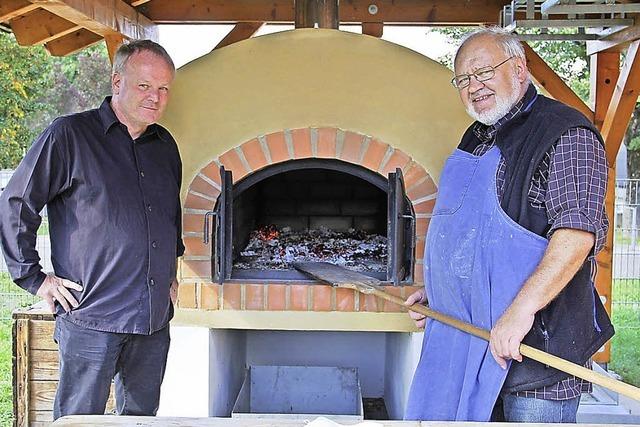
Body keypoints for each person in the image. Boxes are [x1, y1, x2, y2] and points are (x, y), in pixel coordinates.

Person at [403, 27, 614, 423]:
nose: (473, 86)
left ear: (519, 69)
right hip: (470, 349)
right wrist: (442, 294)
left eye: (484, 72)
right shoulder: (476, 137)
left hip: (535, 359)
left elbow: (576, 235)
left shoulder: (566, 132)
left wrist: (521, 312)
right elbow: (475, 237)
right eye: (463, 79)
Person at [0, 40, 184, 419]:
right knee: (79, 420)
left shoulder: (165, 145)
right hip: (91, 316)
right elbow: (17, 203)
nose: (156, 97)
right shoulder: (68, 136)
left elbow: (169, 216)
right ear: (117, 81)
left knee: (140, 417)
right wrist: (34, 278)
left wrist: (172, 274)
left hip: (152, 320)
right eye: (144, 86)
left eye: (164, 88)